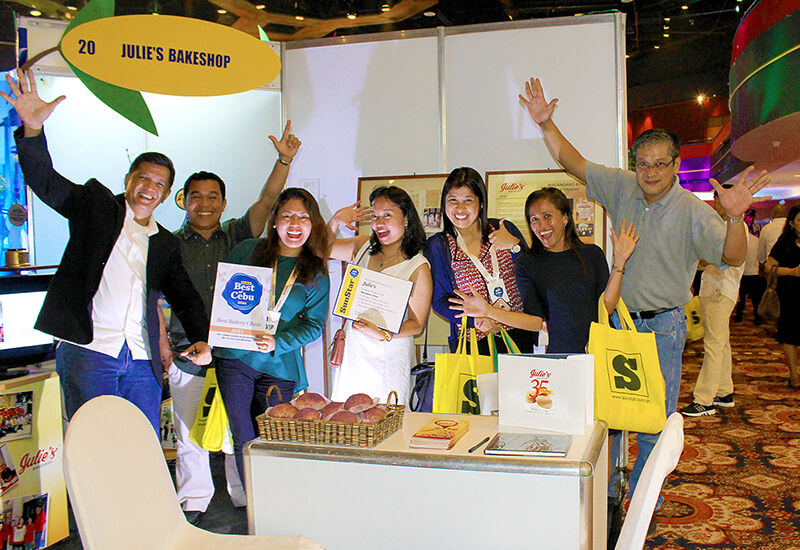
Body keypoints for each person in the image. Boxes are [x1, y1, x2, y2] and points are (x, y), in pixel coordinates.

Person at [520, 76, 770, 530]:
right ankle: (609, 495)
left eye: (659, 164)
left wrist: (734, 217)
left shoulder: (693, 210)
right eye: (642, 164)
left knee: (654, 420)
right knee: (610, 414)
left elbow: (733, 256)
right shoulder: (623, 188)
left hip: (663, 328)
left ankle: (641, 502)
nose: (650, 172)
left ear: (675, 164)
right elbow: (572, 161)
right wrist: (545, 123)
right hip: (618, 325)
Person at [0, 69, 211, 434]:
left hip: (141, 357)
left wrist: (201, 337)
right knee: (92, 443)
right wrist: (33, 129)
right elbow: (46, 182)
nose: (149, 188)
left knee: (141, 444)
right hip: (90, 349)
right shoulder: (96, 207)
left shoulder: (164, 241)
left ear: (165, 195)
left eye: (159, 184)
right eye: (143, 178)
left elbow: (185, 295)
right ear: (128, 180)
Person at [158, 124, 301, 524]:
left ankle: (243, 494)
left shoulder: (238, 235)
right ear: (184, 201)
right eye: (196, 197)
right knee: (190, 431)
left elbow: (268, 200)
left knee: (240, 430)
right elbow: (153, 298)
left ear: (223, 202)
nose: (204, 204)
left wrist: (283, 160)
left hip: (236, 354)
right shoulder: (167, 244)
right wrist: (164, 348)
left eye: (212, 197)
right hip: (188, 352)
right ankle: (194, 499)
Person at [215, 188, 330, 485]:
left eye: (303, 217)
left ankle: (277, 499)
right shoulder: (248, 251)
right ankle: (255, 505)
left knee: (275, 437)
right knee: (243, 437)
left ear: (313, 224)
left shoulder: (316, 271)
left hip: (280, 364)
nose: (295, 224)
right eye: (288, 216)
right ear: (275, 220)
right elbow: (224, 297)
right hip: (236, 358)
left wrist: (278, 342)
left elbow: (314, 325)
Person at [449, 186, 639, 354]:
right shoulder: (528, 265)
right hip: (555, 357)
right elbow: (534, 321)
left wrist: (620, 261)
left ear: (565, 217)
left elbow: (607, 307)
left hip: (597, 352)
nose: (542, 225)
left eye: (548, 216)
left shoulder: (591, 254)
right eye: (534, 219)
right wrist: (488, 311)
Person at [328, 186, 433, 406]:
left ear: (406, 218)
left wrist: (383, 334)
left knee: (387, 417)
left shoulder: (418, 266)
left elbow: (417, 325)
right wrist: (335, 221)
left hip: (389, 354)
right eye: (374, 217)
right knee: (348, 415)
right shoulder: (363, 247)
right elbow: (321, 250)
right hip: (354, 352)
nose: (379, 223)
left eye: (387, 215)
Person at [423, 167, 533, 354]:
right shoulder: (438, 245)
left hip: (519, 333)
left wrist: (516, 246)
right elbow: (440, 301)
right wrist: (475, 321)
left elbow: (532, 275)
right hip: (474, 341)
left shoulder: (503, 228)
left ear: (481, 203)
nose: (460, 208)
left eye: (468, 200)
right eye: (453, 200)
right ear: (444, 203)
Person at [682, 186, 746, 416]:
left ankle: (704, 399)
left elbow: (714, 258)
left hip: (720, 289)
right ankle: (724, 391)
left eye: (717, 198)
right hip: (716, 289)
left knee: (714, 345)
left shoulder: (729, 226)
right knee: (721, 342)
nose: (716, 203)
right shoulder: (727, 225)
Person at [765, 205, 800, 389]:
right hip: (789, 295)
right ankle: (794, 374)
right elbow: (769, 267)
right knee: (790, 336)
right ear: (792, 224)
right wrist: (791, 272)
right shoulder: (784, 243)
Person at [733, 220, 765, 325]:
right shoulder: (757, 240)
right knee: (756, 299)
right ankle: (757, 317)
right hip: (754, 273)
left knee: (740, 298)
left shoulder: (737, 241)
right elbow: (761, 257)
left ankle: (739, 316)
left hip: (741, 274)